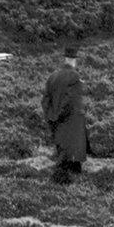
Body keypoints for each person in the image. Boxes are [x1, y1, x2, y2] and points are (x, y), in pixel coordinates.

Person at [41, 46, 89, 184]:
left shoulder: (53, 76)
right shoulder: (75, 77)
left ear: (64, 59)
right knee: (72, 157)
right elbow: (71, 100)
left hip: (57, 123)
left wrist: (51, 116)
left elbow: (45, 100)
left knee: (61, 151)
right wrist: (62, 114)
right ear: (74, 61)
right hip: (71, 122)